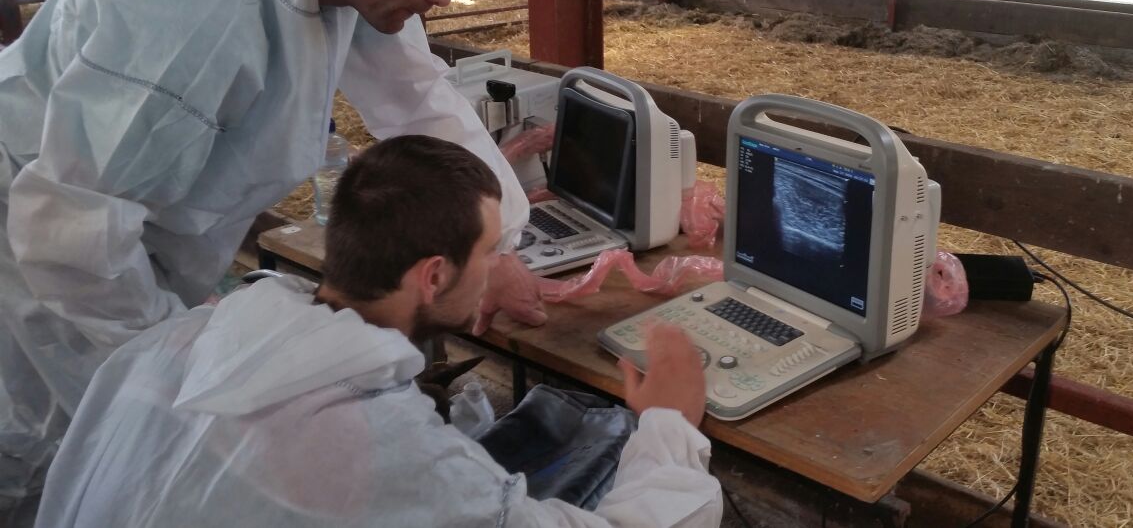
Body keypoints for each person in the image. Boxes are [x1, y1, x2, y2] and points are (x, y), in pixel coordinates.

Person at [0, 0, 546, 520]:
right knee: (60, 461)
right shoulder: (199, 7)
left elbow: (416, 96)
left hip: (136, 257)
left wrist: (496, 241)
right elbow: (69, 233)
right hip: (36, 275)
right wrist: (182, 356)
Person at [35, 135, 722, 527]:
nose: (495, 273)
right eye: (490, 255)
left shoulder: (179, 341)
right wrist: (667, 427)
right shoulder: (385, 448)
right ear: (432, 275)